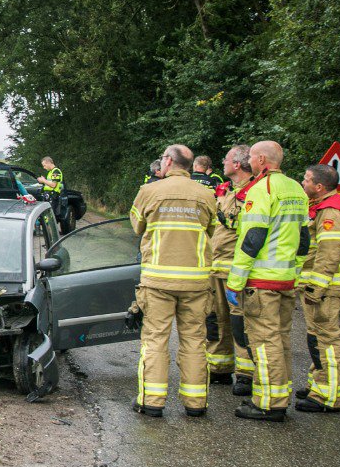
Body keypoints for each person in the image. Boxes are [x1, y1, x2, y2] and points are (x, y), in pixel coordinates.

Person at [128, 144, 219, 418]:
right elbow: (212, 230)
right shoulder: (207, 194)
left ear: (168, 161)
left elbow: (137, 226)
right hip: (196, 282)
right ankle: (196, 403)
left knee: (155, 340)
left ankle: (152, 402)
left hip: (158, 280)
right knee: (195, 341)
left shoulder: (149, 191)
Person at [224, 139, 309, 421]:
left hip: (262, 282)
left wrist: (235, 281)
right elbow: (304, 239)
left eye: (251, 157)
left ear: (261, 160)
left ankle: (269, 403)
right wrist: (295, 272)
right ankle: (278, 395)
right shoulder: (296, 189)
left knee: (264, 342)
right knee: (281, 340)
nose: (248, 161)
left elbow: (252, 239)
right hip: (285, 280)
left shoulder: (262, 189)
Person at [296, 163, 340, 412]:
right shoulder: (321, 207)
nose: (303, 182)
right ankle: (318, 384)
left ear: (319, 186)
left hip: (325, 288)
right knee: (315, 337)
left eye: (307, 179)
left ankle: (328, 396)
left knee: (326, 340)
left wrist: (316, 288)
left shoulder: (332, 211)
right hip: (318, 285)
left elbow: (329, 253)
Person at [206, 145, 254, 388]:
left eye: (226, 159)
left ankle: (246, 374)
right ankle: (219, 367)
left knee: (240, 322)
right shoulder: (224, 190)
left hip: (238, 269)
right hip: (216, 266)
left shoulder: (254, 193)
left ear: (237, 164)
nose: (222, 162)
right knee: (215, 319)